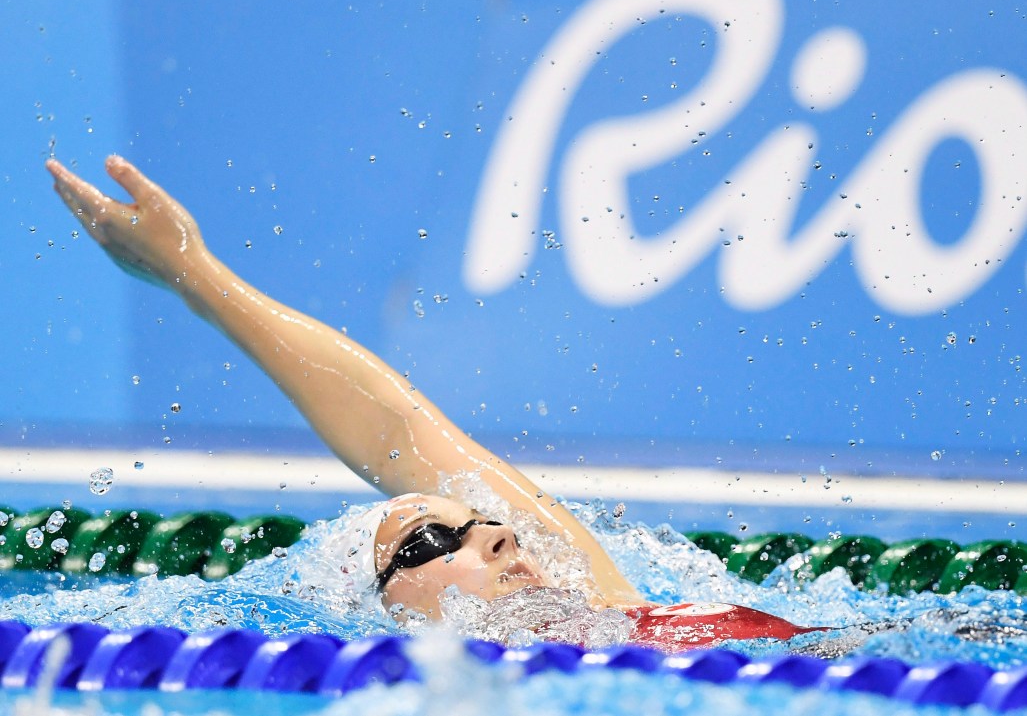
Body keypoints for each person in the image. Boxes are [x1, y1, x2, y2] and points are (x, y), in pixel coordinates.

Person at [46, 155, 825, 653]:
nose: (492, 529)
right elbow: (391, 433)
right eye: (427, 540)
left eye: (482, 520)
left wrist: (196, 274)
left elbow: (399, 428)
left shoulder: (615, 611)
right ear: (384, 615)